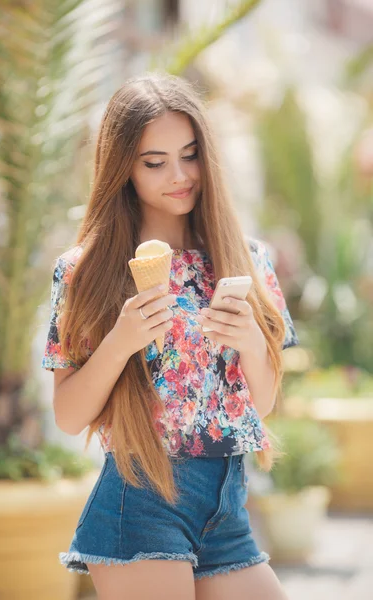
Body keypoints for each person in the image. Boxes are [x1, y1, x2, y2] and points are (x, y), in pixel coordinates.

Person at [41, 72, 299, 600]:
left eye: (190, 154)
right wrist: (121, 340)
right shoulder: (85, 271)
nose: (179, 175)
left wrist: (250, 340)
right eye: (154, 162)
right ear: (122, 169)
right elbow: (68, 415)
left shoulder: (246, 259)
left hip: (226, 505)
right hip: (141, 500)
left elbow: (263, 403)